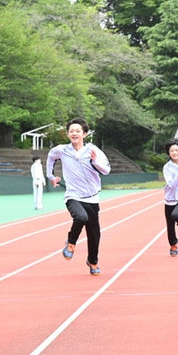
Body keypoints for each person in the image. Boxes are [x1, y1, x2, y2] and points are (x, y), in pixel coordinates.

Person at [46, 118, 111, 276]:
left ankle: (93, 262)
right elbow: (50, 157)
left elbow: (106, 170)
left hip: (92, 197)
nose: (74, 133)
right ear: (68, 133)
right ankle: (71, 242)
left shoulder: (93, 151)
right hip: (73, 195)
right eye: (71, 131)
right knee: (80, 217)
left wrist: (96, 162)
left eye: (78, 131)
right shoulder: (62, 150)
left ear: (85, 134)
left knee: (94, 234)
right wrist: (50, 176)